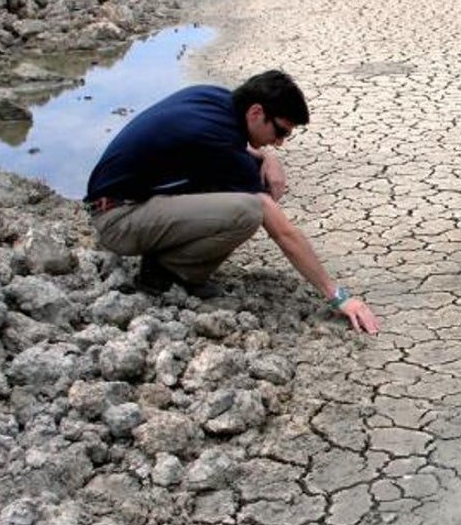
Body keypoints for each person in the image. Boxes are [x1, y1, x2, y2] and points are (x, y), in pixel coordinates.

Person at [84, 69, 379, 334]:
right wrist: (337, 295)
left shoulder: (219, 100)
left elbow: (235, 154)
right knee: (251, 209)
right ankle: (166, 273)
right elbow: (282, 231)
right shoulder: (216, 137)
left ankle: (168, 261)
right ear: (255, 112)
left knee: (251, 182)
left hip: (125, 202)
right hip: (118, 219)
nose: (280, 142)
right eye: (279, 132)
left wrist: (267, 156)